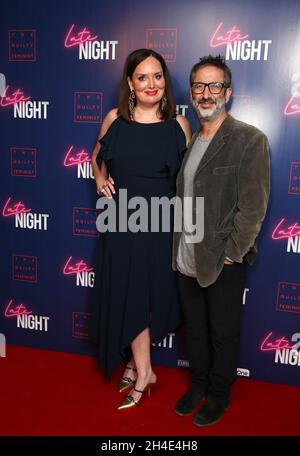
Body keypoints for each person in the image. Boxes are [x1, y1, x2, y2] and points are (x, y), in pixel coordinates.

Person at [90, 48, 191, 410]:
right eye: (143, 77)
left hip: (159, 222)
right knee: (129, 293)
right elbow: (95, 158)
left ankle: (136, 364)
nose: (152, 84)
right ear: (131, 83)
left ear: (165, 82)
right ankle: (145, 371)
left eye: (158, 76)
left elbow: (190, 180)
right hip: (120, 219)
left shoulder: (178, 125)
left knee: (149, 298)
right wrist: (102, 180)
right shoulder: (115, 118)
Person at [173, 55, 270, 426]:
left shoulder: (249, 139)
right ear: (193, 93)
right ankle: (197, 386)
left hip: (223, 260)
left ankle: (218, 395)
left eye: (215, 86)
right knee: (194, 329)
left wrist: (231, 254)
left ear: (228, 92)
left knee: (222, 332)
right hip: (186, 255)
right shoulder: (192, 139)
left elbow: (253, 208)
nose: (206, 93)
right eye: (199, 86)